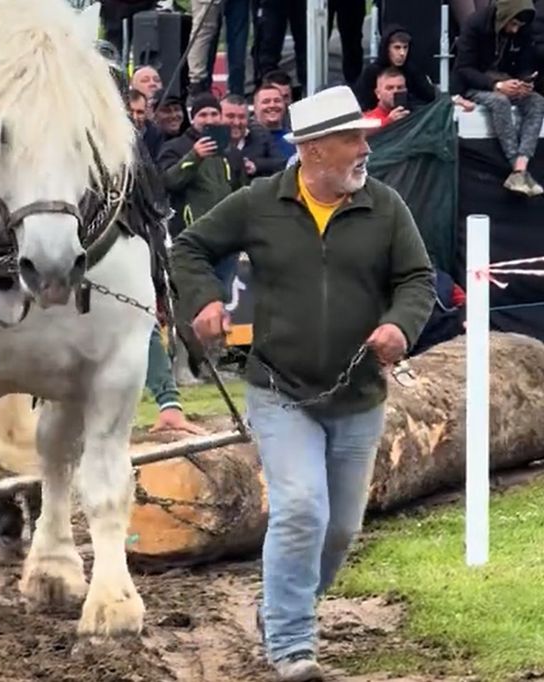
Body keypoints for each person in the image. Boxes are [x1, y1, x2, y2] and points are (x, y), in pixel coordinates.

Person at [170, 85, 435, 681]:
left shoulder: (386, 206)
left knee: (340, 527)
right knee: (301, 509)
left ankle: (281, 608)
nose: (364, 148)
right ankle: (292, 645)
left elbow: (418, 279)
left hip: (359, 394)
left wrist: (400, 325)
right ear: (313, 150)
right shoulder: (260, 202)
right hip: (280, 390)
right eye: (352, 138)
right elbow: (188, 247)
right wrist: (206, 299)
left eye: (364, 136)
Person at [452, 0, 544, 196]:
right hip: (477, 83)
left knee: (536, 101)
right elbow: (464, 69)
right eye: (513, 24)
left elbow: (526, 62)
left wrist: (524, 82)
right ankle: (518, 169)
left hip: (508, 81)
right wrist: (496, 85)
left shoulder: (523, 31)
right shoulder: (475, 24)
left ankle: (521, 165)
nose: (515, 30)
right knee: (499, 102)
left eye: (519, 26)